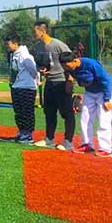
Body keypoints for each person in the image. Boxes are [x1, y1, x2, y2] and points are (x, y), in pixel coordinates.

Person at [32, 21, 76, 150]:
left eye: (35, 31)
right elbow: (40, 64)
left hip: (61, 81)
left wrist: (70, 80)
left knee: (67, 113)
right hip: (49, 82)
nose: (33, 34)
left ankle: (68, 142)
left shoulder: (58, 45)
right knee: (49, 112)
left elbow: (71, 61)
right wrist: (41, 70)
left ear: (42, 31)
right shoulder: (38, 47)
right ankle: (49, 140)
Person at [60, 52, 112, 157]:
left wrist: (107, 99)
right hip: (90, 92)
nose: (66, 68)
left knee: (104, 119)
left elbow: (107, 81)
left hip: (103, 92)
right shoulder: (71, 69)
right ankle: (87, 144)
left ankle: (106, 148)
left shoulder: (91, 64)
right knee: (85, 118)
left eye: (67, 66)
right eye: (64, 66)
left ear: (74, 61)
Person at [5, 35, 40, 145]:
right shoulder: (13, 55)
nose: (7, 46)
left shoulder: (25, 55)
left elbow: (33, 70)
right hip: (16, 86)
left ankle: (28, 135)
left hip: (27, 87)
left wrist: (35, 81)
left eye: (8, 44)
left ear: (15, 44)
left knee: (27, 111)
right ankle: (22, 132)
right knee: (18, 112)